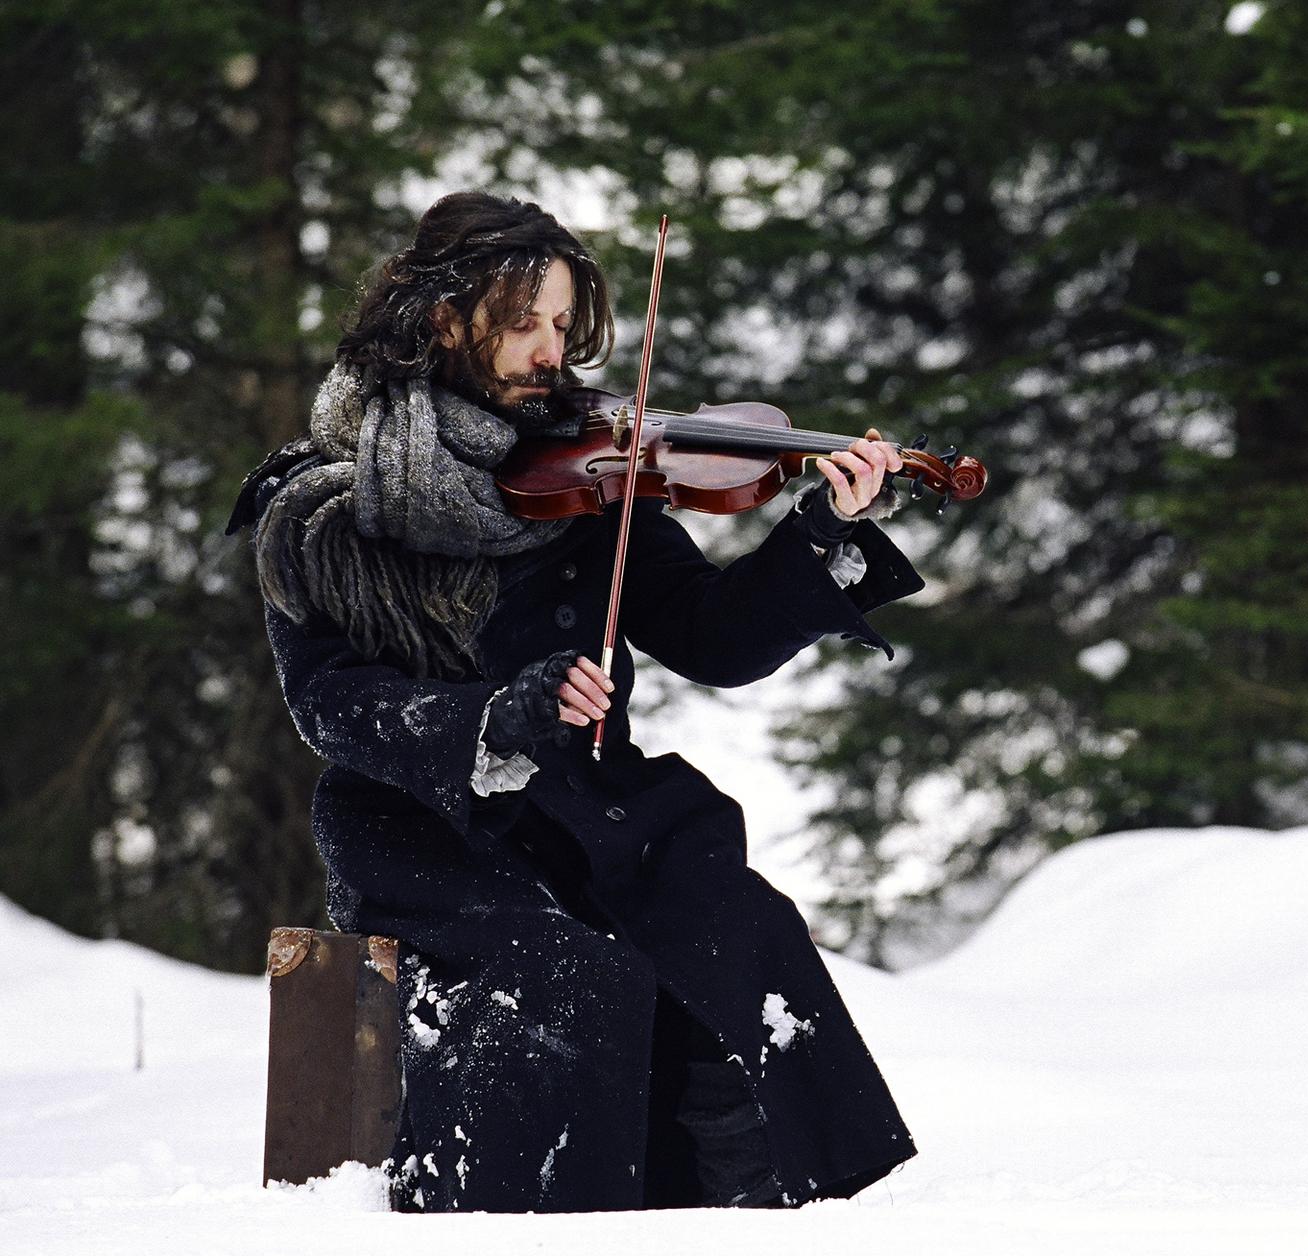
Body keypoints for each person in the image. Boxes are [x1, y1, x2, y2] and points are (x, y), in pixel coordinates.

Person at [227, 191, 922, 1212]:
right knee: (567, 977)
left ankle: (767, 1215)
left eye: (562, 323)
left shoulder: (589, 469)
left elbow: (710, 634)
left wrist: (819, 531)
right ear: (444, 318)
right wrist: (490, 720)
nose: (554, 352)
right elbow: (329, 700)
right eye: (525, 323)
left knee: (736, 925)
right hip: (432, 830)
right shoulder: (321, 501)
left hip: (599, 809)